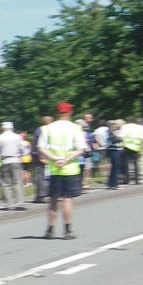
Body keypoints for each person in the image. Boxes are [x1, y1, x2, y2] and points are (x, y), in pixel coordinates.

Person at [38, 102, 88, 239]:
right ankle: (67, 230)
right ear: (70, 112)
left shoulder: (47, 128)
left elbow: (41, 147)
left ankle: (50, 230)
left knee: (53, 200)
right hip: (70, 168)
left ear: (57, 112)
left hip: (54, 169)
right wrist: (66, 159)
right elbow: (81, 149)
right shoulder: (75, 128)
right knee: (67, 200)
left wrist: (54, 159)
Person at [0, 121, 26, 210]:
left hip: (4, 161)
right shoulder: (17, 137)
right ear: (12, 128)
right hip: (15, 160)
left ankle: (8, 204)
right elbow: (23, 150)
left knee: (5, 184)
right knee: (17, 182)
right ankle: (19, 204)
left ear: (2, 128)